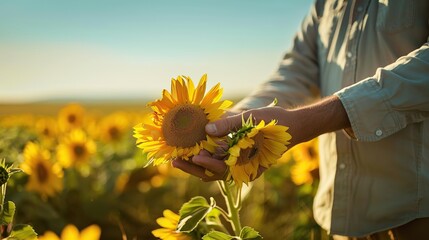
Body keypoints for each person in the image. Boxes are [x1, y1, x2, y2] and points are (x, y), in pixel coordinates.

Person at [173, 0, 429, 239]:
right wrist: (234, 122)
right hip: (341, 218)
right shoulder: (326, 4)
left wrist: (318, 118)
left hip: (414, 211)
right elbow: (295, 72)